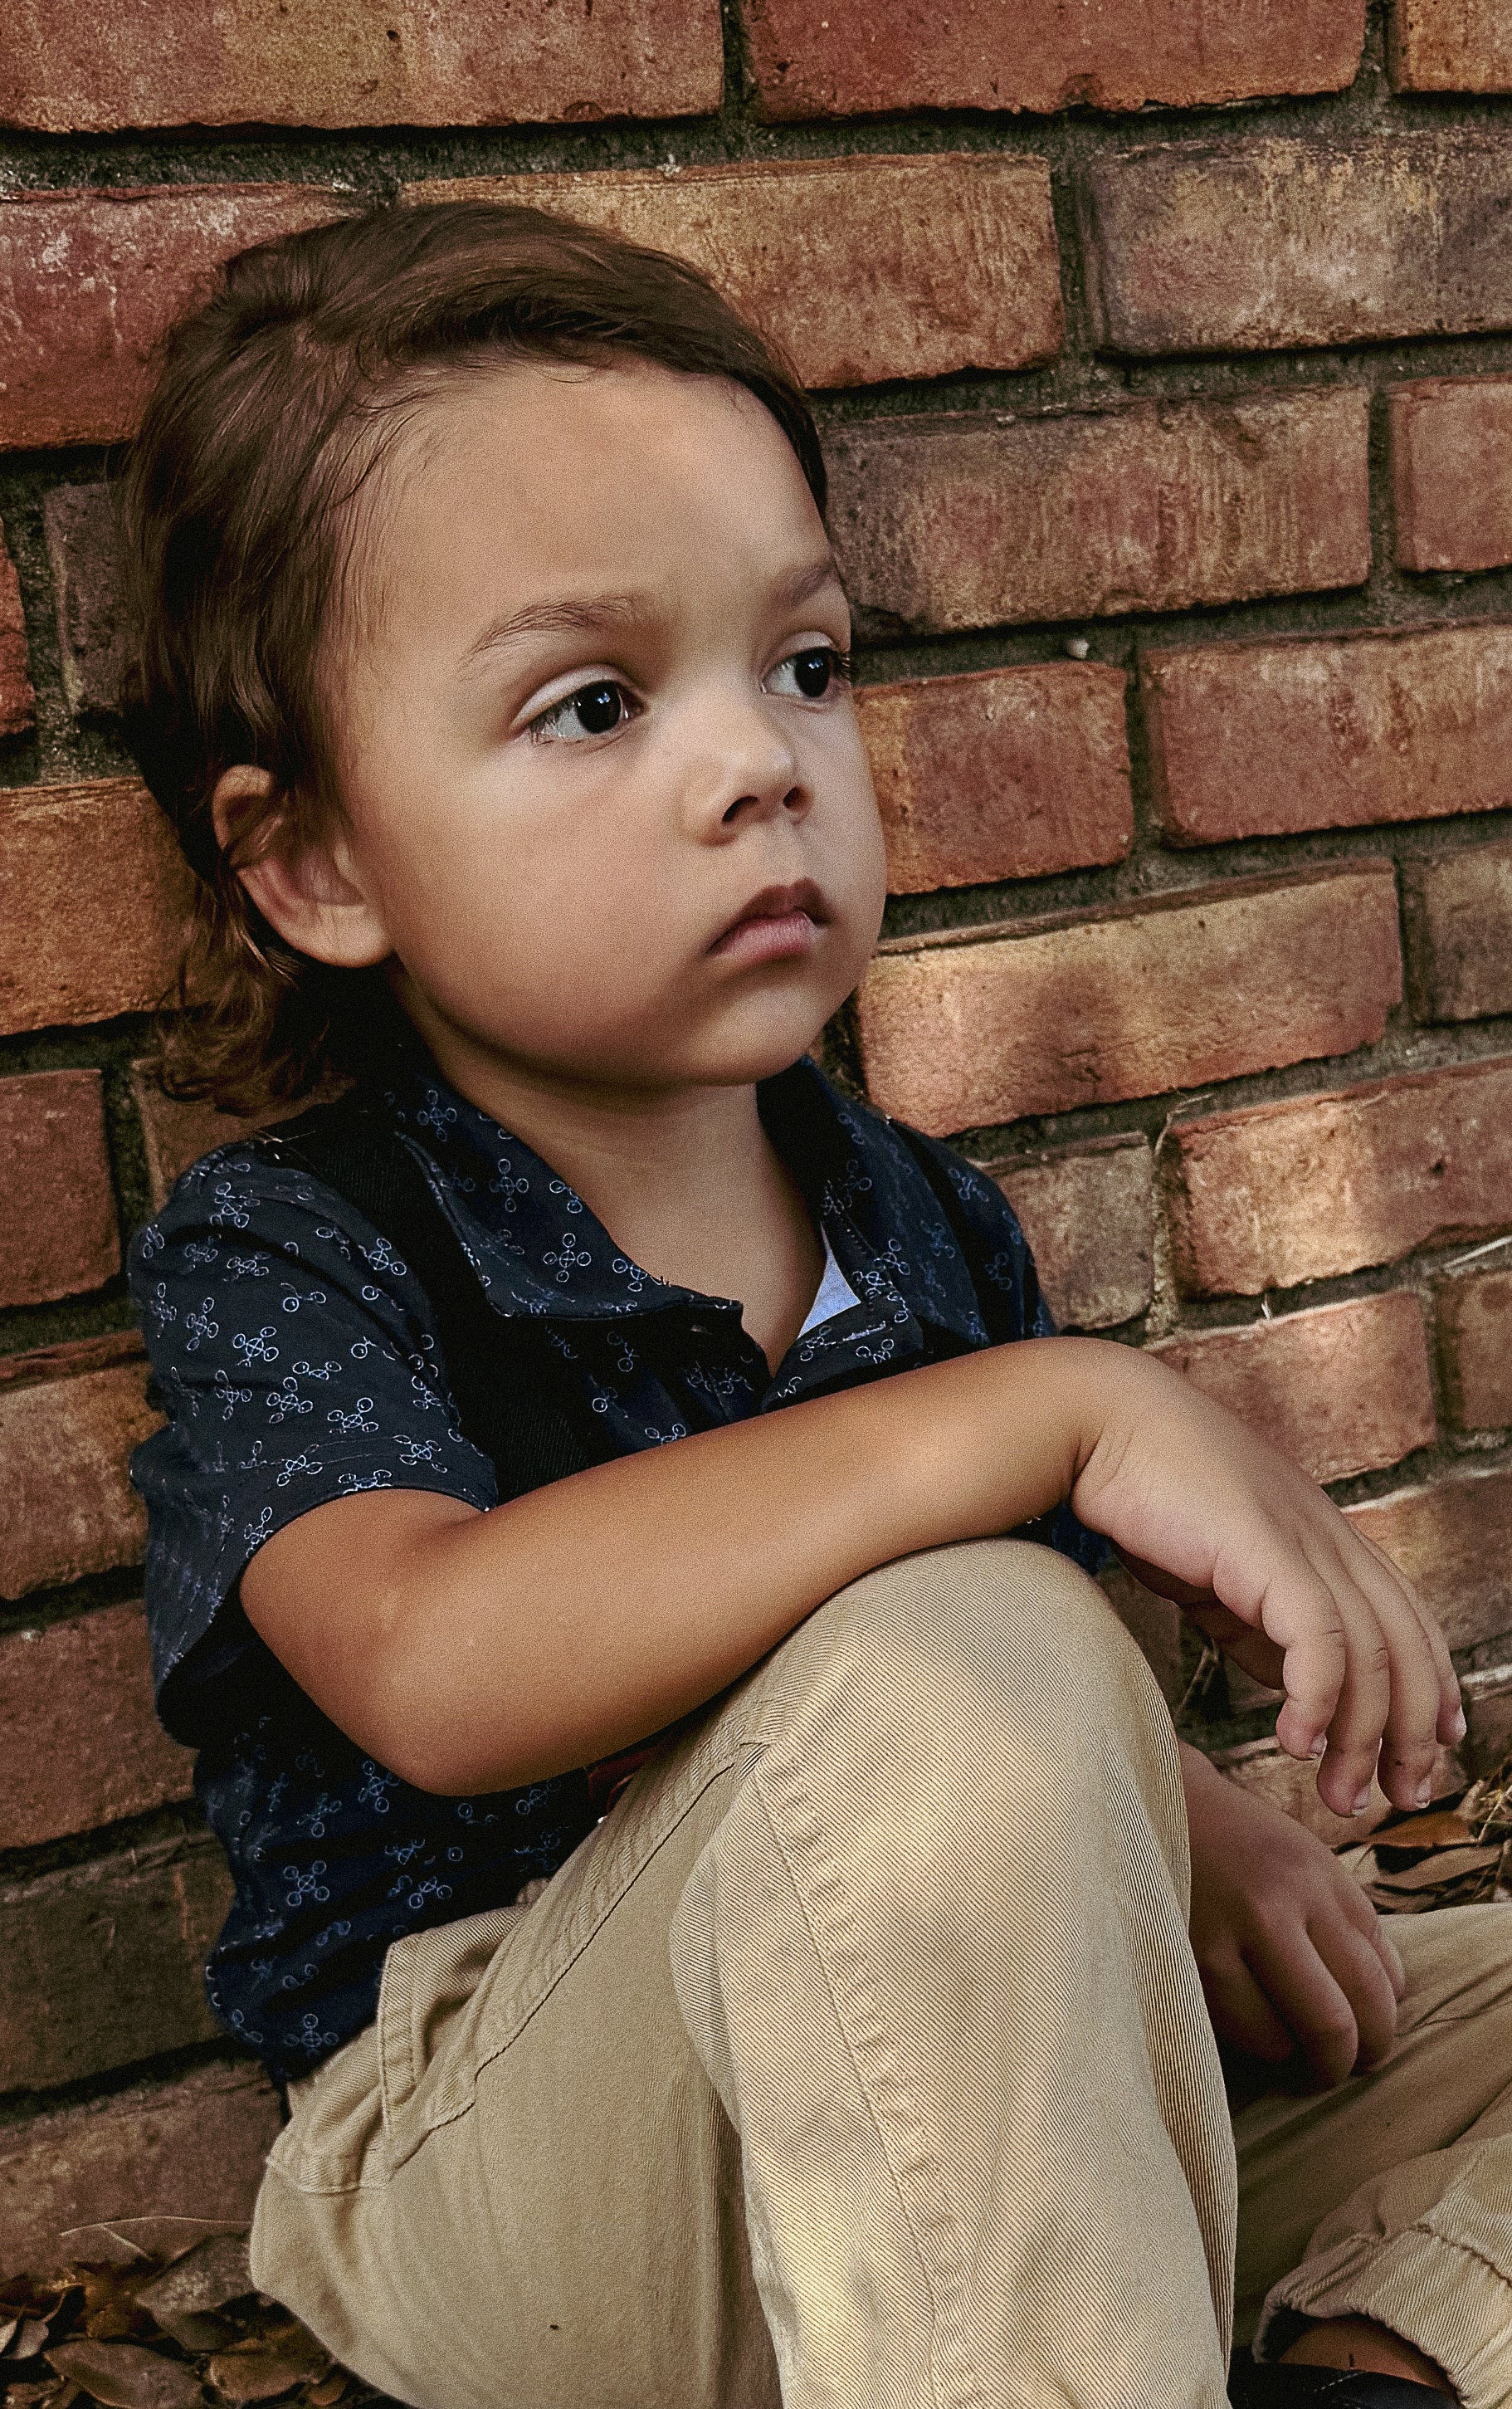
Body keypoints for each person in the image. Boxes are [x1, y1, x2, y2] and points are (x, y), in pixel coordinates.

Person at [119, 198, 1512, 2409]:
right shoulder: (302, 1244)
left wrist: (1190, 1818)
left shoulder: (922, 1223)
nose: (761, 761)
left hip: (956, 2142)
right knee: (969, 1635)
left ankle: (1357, 2370)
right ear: (320, 866)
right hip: (535, 2155)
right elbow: (436, 1664)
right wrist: (1047, 1416)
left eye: (807, 664)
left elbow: (993, 1787)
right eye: (593, 703)